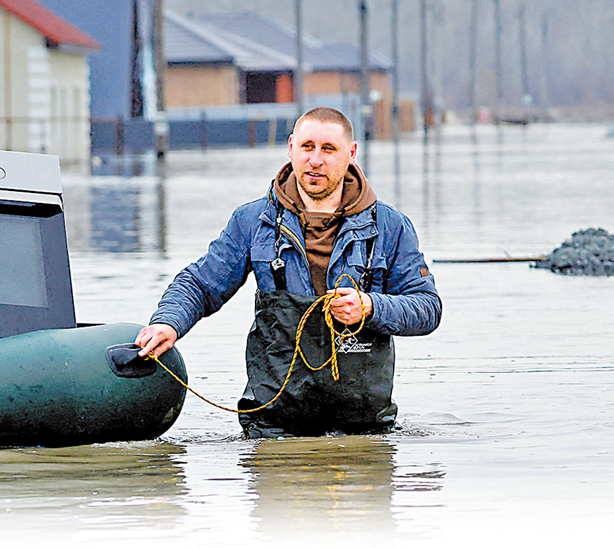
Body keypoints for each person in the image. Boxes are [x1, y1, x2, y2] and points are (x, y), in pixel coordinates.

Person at [136, 107, 441, 437]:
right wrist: (167, 323)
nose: (315, 160)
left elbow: (427, 308)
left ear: (351, 154)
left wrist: (369, 307)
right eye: (307, 147)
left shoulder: (391, 227)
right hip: (273, 427)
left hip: (364, 432)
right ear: (291, 147)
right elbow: (199, 284)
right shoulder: (252, 221)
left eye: (329, 149)